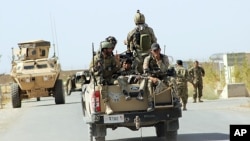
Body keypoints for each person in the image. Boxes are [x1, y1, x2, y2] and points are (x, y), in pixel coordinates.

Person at [89, 41, 120, 114]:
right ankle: (107, 106)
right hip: (99, 78)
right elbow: (91, 70)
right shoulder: (96, 58)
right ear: (104, 49)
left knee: (119, 81)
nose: (111, 50)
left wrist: (117, 61)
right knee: (103, 85)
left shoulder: (111, 58)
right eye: (109, 49)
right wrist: (96, 68)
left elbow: (117, 68)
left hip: (109, 77)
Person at [124, 10, 157, 74]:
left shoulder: (133, 31)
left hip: (138, 56)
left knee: (138, 72)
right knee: (149, 71)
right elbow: (154, 41)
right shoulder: (150, 30)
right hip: (149, 54)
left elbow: (128, 39)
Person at [143, 43, 169, 112]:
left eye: (157, 50)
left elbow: (164, 69)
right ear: (151, 51)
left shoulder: (164, 58)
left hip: (162, 76)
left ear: (160, 50)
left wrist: (159, 61)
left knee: (172, 80)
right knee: (149, 83)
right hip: (152, 77)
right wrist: (151, 78)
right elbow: (145, 71)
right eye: (154, 51)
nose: (156, 52)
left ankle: (175, 99)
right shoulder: (147, 59)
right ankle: (151, 103)